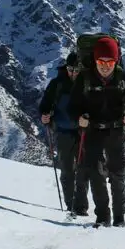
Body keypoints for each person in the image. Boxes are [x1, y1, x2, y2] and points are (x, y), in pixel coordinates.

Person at [68, 36, 125, 227]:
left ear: (116, 61)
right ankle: (103, 216)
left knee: (117, 173)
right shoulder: (84, 79)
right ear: (95, 60)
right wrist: (79, 118)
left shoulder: (124, 79)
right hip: (92, 131)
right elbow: (72, 107)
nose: (105, 66)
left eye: (109, 62)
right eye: (101, 61)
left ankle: (119, 217)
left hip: (116, 130)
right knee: (96, 173)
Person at [39, 51, 89, 215]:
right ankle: (71, 205)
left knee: (82, 170)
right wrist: (45, 115)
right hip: (62, 131)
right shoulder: (57, 84)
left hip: (82, 132)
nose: (73, 73)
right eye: (70, 69)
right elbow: (45, 104)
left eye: (76, 70)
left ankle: (81, 207)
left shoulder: (87, 84)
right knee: (67, 169)